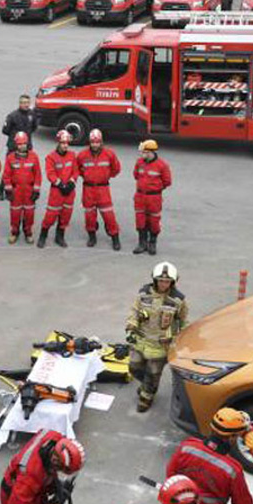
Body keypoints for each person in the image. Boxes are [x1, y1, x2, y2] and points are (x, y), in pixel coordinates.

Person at [125, 262, 187, 413]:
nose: (163, 284)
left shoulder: (178, 300)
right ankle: (147, 385)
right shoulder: (144, 294)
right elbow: (134, 310)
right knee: (134, 367)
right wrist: (131, 327)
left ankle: (147, 397)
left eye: (167, 281)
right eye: (160, 280)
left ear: (172, 282)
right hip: (141, 339)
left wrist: (181, 341)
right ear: (154, 280)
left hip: (160, 344)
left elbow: (183, 321)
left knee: (153, 373)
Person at [77, 129, 122, 249]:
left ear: (101, 142)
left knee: (109, 216)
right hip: (88, 189)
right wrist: (87, 176)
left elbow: (116, 169)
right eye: (92, 142)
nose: (95, 145)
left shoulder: (109, 154)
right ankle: (92, 236)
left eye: (97, 142)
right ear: (89, 142)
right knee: (89, 216)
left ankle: (115, 238)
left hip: (103, 189)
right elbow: (78, 169)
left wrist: (106, 176)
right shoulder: (82, 155)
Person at [132, 140, 172, 255]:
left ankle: (152, 242)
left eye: (144, 152)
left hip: (154, 198)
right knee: (140, 220)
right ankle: (142, 242)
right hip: (140, 196)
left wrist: (155, 189)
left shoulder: (162, 165)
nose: (142, 155)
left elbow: (167, 181)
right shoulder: (139, 162)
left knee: (154, 221)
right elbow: (135, 175)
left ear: (151, 152)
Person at [39, 130, 77, 248]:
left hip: (69, 191)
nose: (65, 145)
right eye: (63, 143)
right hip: (57, 191)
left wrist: (71, 182)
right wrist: (60, 184)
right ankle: (43, 236)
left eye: (67, 143)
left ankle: (60, 236)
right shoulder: (51, 157)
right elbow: (50, 173)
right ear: (58, 143)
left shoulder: (72, 155)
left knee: (66, 215)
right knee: (50, 215)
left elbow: (76, 171)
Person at [0, 131, 40, 245]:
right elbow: (6, 175)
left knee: (29, 213)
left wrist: (36, 190)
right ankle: (14, 232)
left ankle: (28, 232)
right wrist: (8, 189)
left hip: (29, 190)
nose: (22, 146)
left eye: (24, 143)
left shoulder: (34, 156)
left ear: (27, 143)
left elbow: (38, 175)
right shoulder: (11, 158)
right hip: (16, 191)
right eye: (20, 144)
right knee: (15, 213)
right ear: (16, 144)